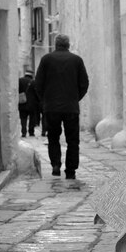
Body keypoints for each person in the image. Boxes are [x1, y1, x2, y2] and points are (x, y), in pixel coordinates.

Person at [35, 34, 89, 179]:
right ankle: (70, 170)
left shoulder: (46, 60)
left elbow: (38, 83)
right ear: (68, 45)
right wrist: (75, 98)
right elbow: (84, 83)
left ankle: (55, 165)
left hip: (51, 107)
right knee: (72, 140)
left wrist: (44, 100)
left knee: (53, 137)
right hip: (71, 107)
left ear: (55, 44)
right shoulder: (77, 60)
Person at [18, 69, 35, 137]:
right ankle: (31, 132)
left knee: (23, 118)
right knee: (32, 118)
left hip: (22, 102)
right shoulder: (33, 82)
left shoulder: (20, 80)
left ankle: (23, 132)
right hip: (32, 103)